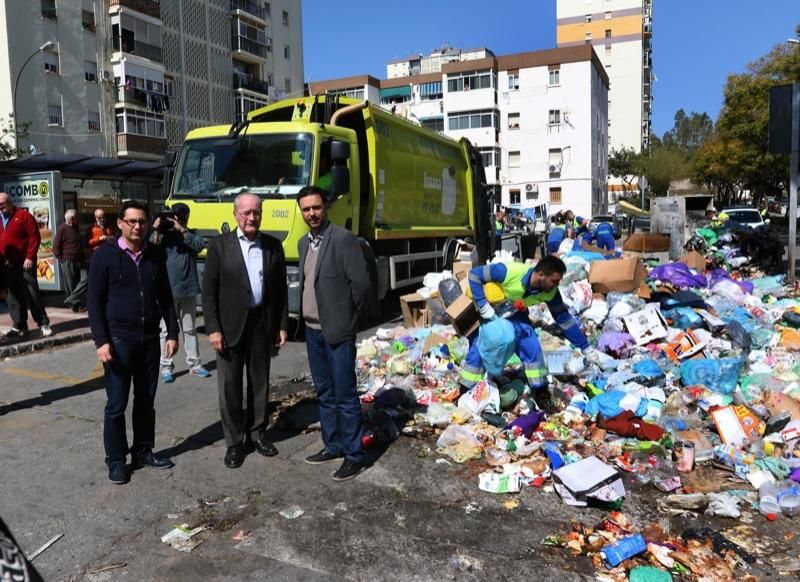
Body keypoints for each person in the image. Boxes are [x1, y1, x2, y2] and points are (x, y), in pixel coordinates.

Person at [87, 200, 179, 485]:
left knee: (145, 401)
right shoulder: (105, 255)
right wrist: (101, 341)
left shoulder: (154, 255)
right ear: (120, 224)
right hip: (118, 341)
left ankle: (143, 451)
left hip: (149, 339)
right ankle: (116, 461)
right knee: (116, 404)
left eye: (141, 221)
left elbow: (165, 297)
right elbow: (94, 301)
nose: (137, 226)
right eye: (132, 221)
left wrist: (173, 332)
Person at [202, 192, 288, 469]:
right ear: (235, 214)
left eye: (257, 212)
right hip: (228, 327)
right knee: (229, 386)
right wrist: (213, 328)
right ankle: (234, 443)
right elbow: (208, 292)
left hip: (262, 322)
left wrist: (282, 325)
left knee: (260, 382)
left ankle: (257, 434)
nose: (252, 218)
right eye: (247, 212)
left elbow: (280, 291)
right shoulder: (219, 246)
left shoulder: (274, 246)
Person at [297, 186, 372, 481]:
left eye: (315, 207)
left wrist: (349, 321)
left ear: (324, 207)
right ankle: (333, 444)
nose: (311, 214)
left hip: (337, 331)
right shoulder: (304, 243)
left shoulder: (343, 239)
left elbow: (362, 286)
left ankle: (354, 454)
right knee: (325, 393)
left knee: (345, 394)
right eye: (306, 209)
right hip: (312, 331)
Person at [462, 256, 599, 410]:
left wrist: (586, 347)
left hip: (515, 314)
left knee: (532, 348)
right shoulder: (509, 271)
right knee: (481, 346)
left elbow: (564, 319)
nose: (557, 285)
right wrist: (483, 306)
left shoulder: (550, 292)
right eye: (554, 280)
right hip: (491, 310)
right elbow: (474, 274)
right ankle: (466, 389)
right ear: (541, 275)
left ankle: (541, 393)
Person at [150, 203, 210, 382]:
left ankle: (195, 364)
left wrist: (182, 230)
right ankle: (166, 367)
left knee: (190, 329)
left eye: (180, 217)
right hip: (166, 291)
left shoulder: (191, 234)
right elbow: (150, 249)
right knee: (165, 331)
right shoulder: (162, 235)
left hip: (188, 288)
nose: (176, 220)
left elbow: (200, 246)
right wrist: (156, 229)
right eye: (175, 217)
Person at [0, 192, 52, 339]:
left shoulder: (23, 216)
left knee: (32, 294)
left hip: (25, 263)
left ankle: (43, 323)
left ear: (10, 202)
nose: (0, 207)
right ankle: (19, 325)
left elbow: (35, 236)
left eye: (3, 204)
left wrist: (30, 257)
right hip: (7, 264)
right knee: (13, 296)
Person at [53, 209, 88, 312]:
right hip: (68, 260)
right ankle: (75, 305)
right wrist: (62, 259)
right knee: (70, 284)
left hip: (80, 260)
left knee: (86, 279)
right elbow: (55, 247)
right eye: (77, 217)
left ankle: (70, 300)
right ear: (71, 219)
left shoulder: (76, 227)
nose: (78, 219)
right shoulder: (62, 229)